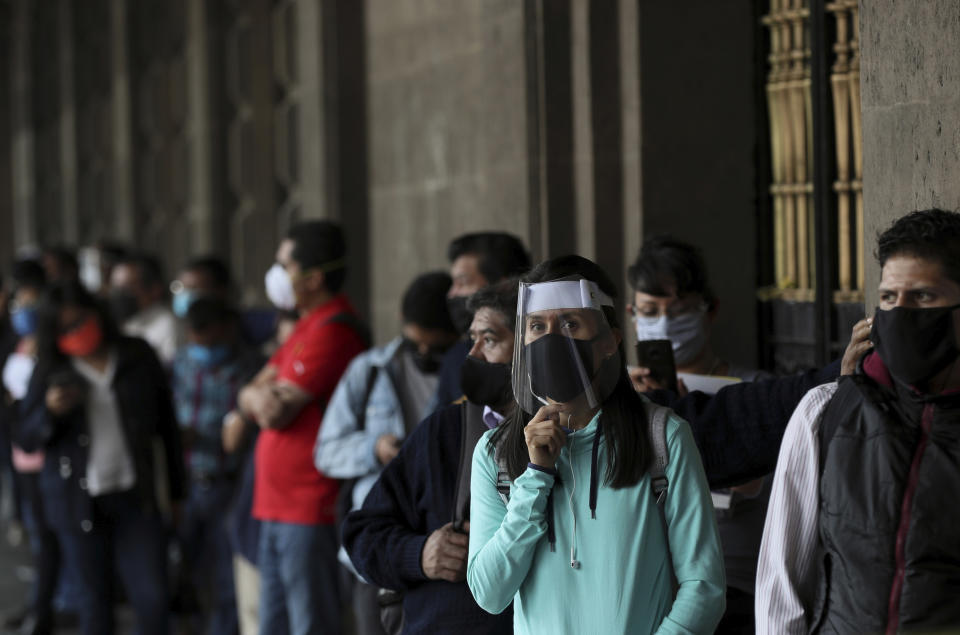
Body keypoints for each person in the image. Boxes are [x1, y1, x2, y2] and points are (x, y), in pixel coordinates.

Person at [467, 256, 725, 633]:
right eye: (537, 326)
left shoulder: (661, 437)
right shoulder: (497, 453)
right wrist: (536, 477)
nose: (552, 338)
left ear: (609, 341)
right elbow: (490, 594)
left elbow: (703, 586)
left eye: (570, 323)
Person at [757, 208, 960, 634]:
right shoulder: (827, 411)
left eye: (922, 297)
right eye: (888, 298)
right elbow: (782, 580)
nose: (900, 312)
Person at [342, 279, 518, 635]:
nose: (473, 356)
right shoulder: (445, 431)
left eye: (491, 340)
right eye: (473, 340)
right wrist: (420, 555)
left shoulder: (584, 437)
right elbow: (362, 534)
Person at [17, 281, 186, 635]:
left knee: (152, 598)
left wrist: (176, 492)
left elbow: (167, 427)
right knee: (94, 606)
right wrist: (50, 412)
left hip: (136, 496)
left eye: (81, 320)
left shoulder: (136, 355)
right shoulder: (49, 369)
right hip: (76, 504)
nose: (77, 332)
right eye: (65, 328)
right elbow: (26, 438)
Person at [628, 236, 773, 633]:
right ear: (631, 314)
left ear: (709, 311)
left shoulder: (751, 389)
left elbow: (757, 481)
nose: (664, 322)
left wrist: (694, 421)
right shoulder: (617, 395)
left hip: (736, 585)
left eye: (679, 311)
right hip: (643, 588)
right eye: (649, 311)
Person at [236, 220, 367, 635]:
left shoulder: (335, 330)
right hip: (274, 503)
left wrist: (256, 398)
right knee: (272, 623)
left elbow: (273, 410)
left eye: (283, 264)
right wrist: (255, 396)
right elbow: (249, 393)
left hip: (308, 505)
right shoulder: (306, 325)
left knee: (311, 623)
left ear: (312, 278)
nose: (276, 274)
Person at [316, 271, 459, 635]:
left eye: (437, 349)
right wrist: (374, 448)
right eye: (416, 345)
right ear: (401, 324)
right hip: (380, 544)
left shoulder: (464, 380)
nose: (424, 355)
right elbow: (326, 450)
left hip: (442, 547)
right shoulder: (371, 370)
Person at [172, 297, 263, 635]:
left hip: (231, 482)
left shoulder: (251, 369)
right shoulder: (179, 364)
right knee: (185, 568)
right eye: (196, 341)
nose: (202, 348)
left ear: (225, 330)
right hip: (186, 482)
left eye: (208, 340)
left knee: (228, 577)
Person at [2, 260, 58, 635]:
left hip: (44, 454)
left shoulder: (53, 349)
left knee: (48, 537)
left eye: (27, 296)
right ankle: (42, 604)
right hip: (21, 451)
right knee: (37, 535)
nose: (21, 304)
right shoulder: (19, 341)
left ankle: (46, 607)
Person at [432, 233, 530, 409]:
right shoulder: (456, 358)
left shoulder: (538, 352)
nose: (452, 294)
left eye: (462, 283)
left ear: (502, 285)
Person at [170, 256, 276, 347]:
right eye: (182, 288)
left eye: (193, 289)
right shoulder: (178, 330)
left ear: (220, 290)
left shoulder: (255, 325)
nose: (185, 295)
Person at [109, 253, 179, 365]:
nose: (120, 295)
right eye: (116, 288)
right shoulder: (124, 322)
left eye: (127, 288)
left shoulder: (169, 325)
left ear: (155, 289)